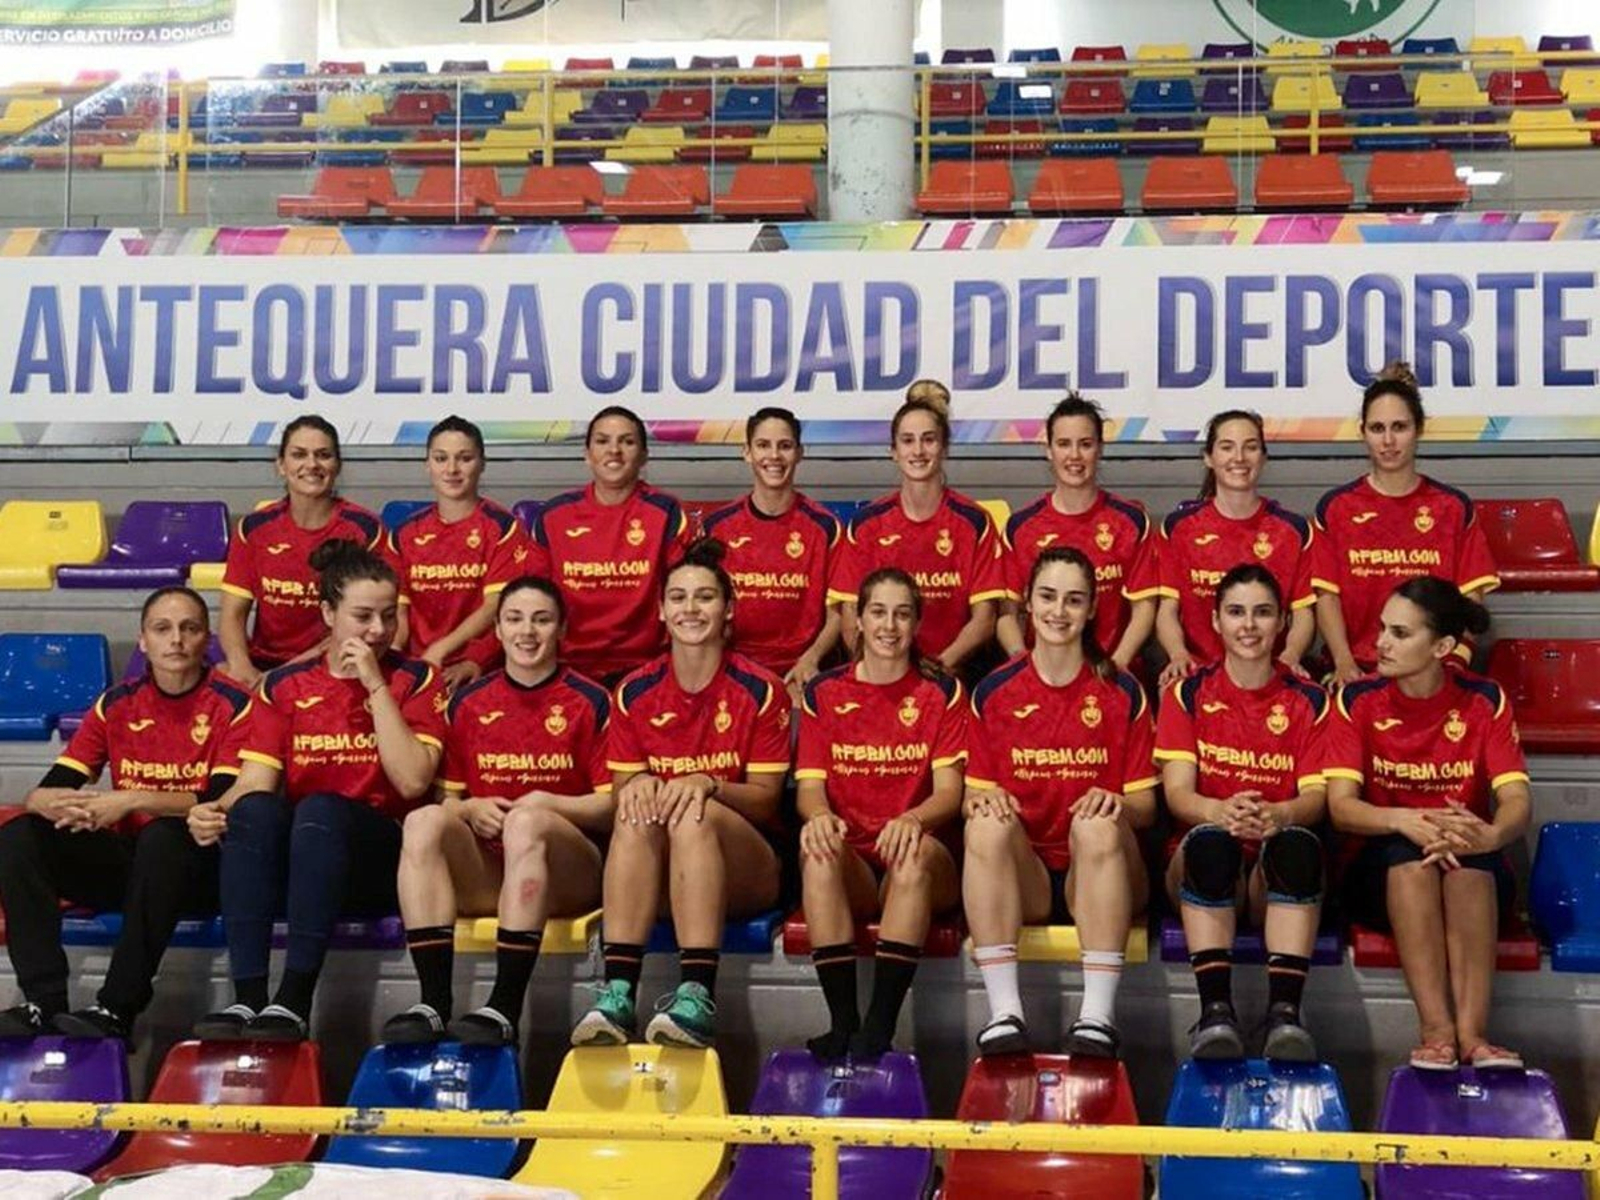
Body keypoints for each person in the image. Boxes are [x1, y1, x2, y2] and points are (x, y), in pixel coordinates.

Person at [189, 540, 446, 1042]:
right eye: (363, 617)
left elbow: (413, 780)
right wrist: (213, 810)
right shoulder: (284, 686)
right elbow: (255, 783)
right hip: (309, 860)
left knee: (321, 809)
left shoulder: (416, 679)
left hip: (382, 858)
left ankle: (294, 998)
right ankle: (248, 996)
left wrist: (375, 687)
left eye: (388, 616)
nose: (378, 631)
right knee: (255, 811)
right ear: (328, 614)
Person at [0, 588, 250, 1040]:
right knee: (20, 834)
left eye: (189, 628)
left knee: (163, 837)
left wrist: (131, 799)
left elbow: (217, 798)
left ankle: (117, 1008)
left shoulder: (234, 703)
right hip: (136, 868)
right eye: (162, 629)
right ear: (143, 641)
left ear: (207, 640)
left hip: (207, 865)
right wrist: (60, 806)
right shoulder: (116, 704)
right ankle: (43, 1001)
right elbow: (50, 787)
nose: (176, 640)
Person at [571, 539, 790, 1049]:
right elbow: (622, 791)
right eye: (678, 597)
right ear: (661, 610)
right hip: (663, 875)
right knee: (635, 810)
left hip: (748, 868)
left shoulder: (761, 689)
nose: (691, 608)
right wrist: (640, 785)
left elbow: (766, 800)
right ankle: (618, 993)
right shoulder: (634, 691)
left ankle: (697, 995)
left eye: (705, 597)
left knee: (693, 811)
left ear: (728, 609)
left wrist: (708, 783)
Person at [382, 576, 612, 1047]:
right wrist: (469, 808)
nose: (527, 631)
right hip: (494, 868)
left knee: (527, 822)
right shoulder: (467, 703)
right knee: (423, 821)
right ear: (499, 630)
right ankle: (433, 1002)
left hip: (572, 871)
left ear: (561, 629)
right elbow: (445, 799)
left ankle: (505, 1005)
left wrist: (549, 804)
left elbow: (612, 806)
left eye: (541, 620)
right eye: (515, 619)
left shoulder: (591, 700)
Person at [1326, 577, 1530, 1071]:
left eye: (1400, 633)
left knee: (1468, 865)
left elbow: (1516, 800)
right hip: (1381, 861)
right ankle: (1437, 1033)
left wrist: (1491, 833)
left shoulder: (1485, 699)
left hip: (1464, 852)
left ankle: (1474, 1037)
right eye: (1382, 629)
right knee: (1410, 863)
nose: (1381, 643)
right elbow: (1341, 807)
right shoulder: (1356, 700)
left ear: (1441, 647)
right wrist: (1405, 820)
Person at [963, 547, 1157, 1058]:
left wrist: (1115, 803)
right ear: (1027, 602)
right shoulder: (993, 692)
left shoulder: (1122, 690)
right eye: (1048, 597)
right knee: (983, 825)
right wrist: (986, 800)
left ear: (1091, 609)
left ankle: (1097, 1019)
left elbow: (1146, 807)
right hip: (1027, 874)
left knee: (1096, 826)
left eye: (1074, 600)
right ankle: (1004, 1015)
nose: (1059, 611)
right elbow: (969, 797)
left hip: (1103, 867)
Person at [1156, 566, 1330, 1062]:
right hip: (1205, 862)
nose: (1248, 625)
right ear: (1215, 621)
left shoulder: (1311, 700)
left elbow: (1316, 798)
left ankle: (1285, 1016)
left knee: (1297, 846)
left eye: (1262, 612)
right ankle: (1215, 1013)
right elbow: (1177, 794)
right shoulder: (1186, 694)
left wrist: (1280, 814)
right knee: (1211, 844)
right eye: (1236, 612)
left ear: (1283, 622)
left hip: (1270, 866)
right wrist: (1220, 811)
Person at [796, 569, 966, 1061]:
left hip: (922, 860)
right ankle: (842, 1023)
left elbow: (950, 793)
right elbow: (809, 789)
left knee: (913, 855)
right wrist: (820, 817)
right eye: (878, 612)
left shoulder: (942, 692)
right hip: (856, 862)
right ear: (858, 620)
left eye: (902, 614)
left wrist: (913, 820)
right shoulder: (823, 693)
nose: (889, 626)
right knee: (818, 851)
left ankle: (879, 1028)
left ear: (917, 624)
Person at [1313, 364, 1500, 683]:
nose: (1388, 440)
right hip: (1357, 673)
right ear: (1362, 432)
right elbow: (1326, 598)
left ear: (1419, 429)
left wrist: (1453, 662)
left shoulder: (1453, 508)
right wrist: (1344, 663)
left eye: (1399, 427)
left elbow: (1470, 601)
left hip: (1432, 673)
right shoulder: (1336, 508)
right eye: (1377, 428)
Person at [829, 388, 1005, 676]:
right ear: (893, 452)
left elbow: (984, 620)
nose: (919, 451)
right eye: (908, 441)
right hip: (882, 674)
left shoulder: (975, 522)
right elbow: (850, 615)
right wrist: (879, 667)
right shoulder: (866, 525)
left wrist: (939, 667)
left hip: (951, 672)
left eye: (929, 440)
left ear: (944, 448)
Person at [525, 406, 694, 686]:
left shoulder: (666, 513)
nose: (614, 451)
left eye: (627, 442)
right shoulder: (554, 516)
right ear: (587, 454)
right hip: (567, 667)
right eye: (603, 441)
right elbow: (532, 598)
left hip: (649, 668)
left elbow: (687, 593)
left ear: (644, 455)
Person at [219, 415, 387, 689]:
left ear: (337, 465)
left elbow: (366, 624)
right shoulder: (253, 528)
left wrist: (280, 677)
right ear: (281, 465)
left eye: (323, 455)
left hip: (336, 664)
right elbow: (232, 615)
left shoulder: (365, 530)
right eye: (299, 454)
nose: (312, 464)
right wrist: (241, 667)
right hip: (262, 667)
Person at [998, 393, 1158, 671]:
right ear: (1048, 450)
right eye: (1063, 444)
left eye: (1085, 444)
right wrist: (1023, 664)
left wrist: (1116, 666)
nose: (1074, 456)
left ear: (1100, 448)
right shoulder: (1020, 528)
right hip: (1043, 676)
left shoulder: (1131, 522)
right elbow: (1006, 615)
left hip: (1113, 672)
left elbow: (1144, 608)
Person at [1156, 410, 1315, 685]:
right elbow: (1168, 608)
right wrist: (1177, 654)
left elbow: (1303, 612)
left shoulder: (1292, 531)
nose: (1239, 458)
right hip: (1199, 673)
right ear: (1208, 457)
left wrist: (1291, 655)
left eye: (1250, 447)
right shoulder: (1179, 528)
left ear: (1263, 457)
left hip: (1268, 674)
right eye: (1227, 447)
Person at [701, 407, 842, 700]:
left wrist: (812, 659)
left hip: (801, 672)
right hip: (733, 670)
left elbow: (839, 613)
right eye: (763, 445)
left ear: (800, 453)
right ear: (747, 452)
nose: (774, 456)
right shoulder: (716, 527)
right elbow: (703, 609)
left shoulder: (826, 527)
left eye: (785, 446)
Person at [389, 415, 532, 694]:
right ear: (427, 464)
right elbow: (398, 615)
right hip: (419, 666)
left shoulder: (503, 528)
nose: (452, 469)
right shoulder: (404, 534)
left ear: (482, 463)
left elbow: (497, 608)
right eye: (441, 458)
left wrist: (459, 656)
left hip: (482, 666)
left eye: (464, 458)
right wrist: (394, 665)